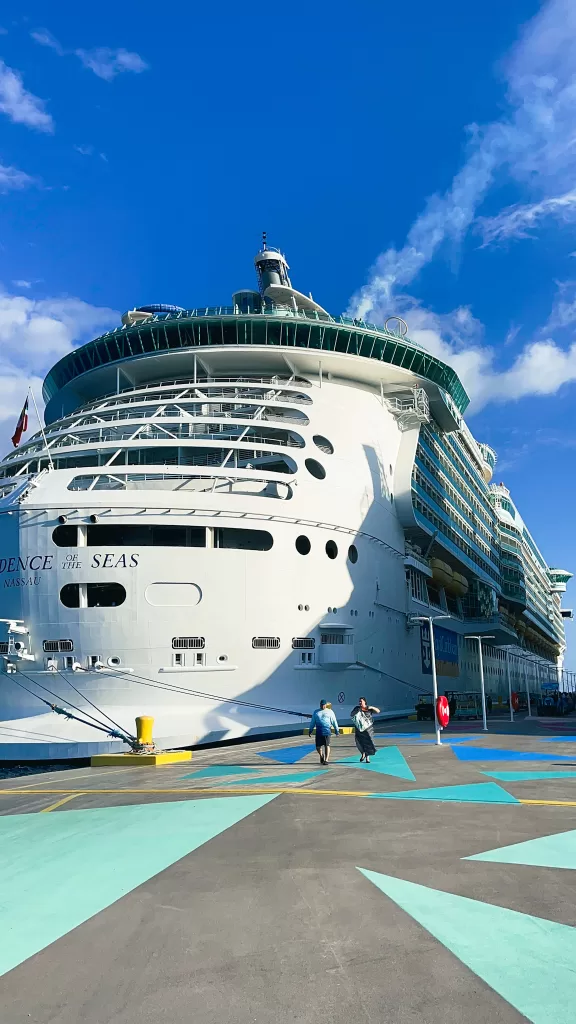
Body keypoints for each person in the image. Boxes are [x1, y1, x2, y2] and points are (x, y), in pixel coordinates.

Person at [309, 699, 339, 764]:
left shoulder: (330, 712)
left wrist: (337, 730)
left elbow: (334, 721)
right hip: (319, 731)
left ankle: (326, 759)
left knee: (327, 745)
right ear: (320, 705)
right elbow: (312, 722)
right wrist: (310, 730)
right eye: (322, 705)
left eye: (324, 705)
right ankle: (321, 755)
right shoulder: (316, 712)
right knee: (318, 747)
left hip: (327, 731)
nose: (323, 706)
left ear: (326, 705)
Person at [351, 697, 380, 763]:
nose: (360, 703)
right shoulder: (357, 708)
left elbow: (378, 711)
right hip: (359, 729)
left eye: (361, 701)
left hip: (368, 730)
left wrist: (372, 707)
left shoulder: (368, 709)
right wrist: (357, 711)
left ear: (365, 702)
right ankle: (363, 753)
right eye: (359, 701)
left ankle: (367, 758)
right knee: (359, 742)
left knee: (368, 743)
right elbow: (351, 714)